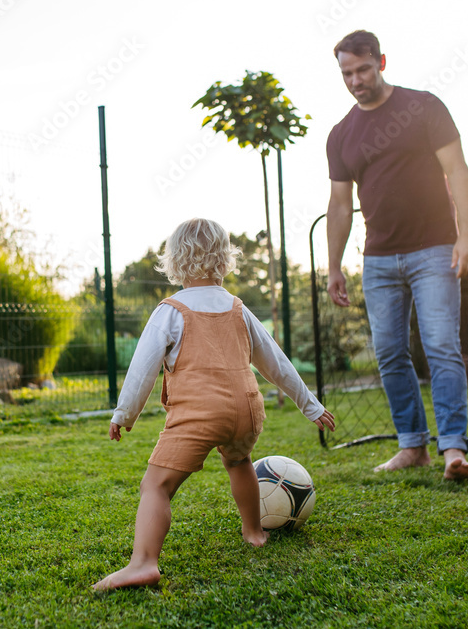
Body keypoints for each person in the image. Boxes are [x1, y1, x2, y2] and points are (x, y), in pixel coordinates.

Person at [93, 218, 335, 591]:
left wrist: (125, 414)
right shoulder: (238, 308)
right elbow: (276, 362)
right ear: (225, 260)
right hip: (247, 410)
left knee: (155, 486)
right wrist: (311, 406)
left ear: (174, 262)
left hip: (199, 413)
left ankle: (143, 562)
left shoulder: (170, 311)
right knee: (239, 462)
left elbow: (142, 369)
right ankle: (254, 532)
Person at [324, 30, 468, 481]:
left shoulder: (424, 107)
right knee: (390, 353)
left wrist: (467, 236)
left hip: (434, 250)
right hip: (378, 260)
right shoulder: (341, 135)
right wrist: (334, 266)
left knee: (441, 347)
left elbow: (458, 171)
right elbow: (338, 204)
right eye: (346, 73)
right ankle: (413, 446)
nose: (355, 80)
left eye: (363, 69)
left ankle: (453, 449)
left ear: (381, 62)